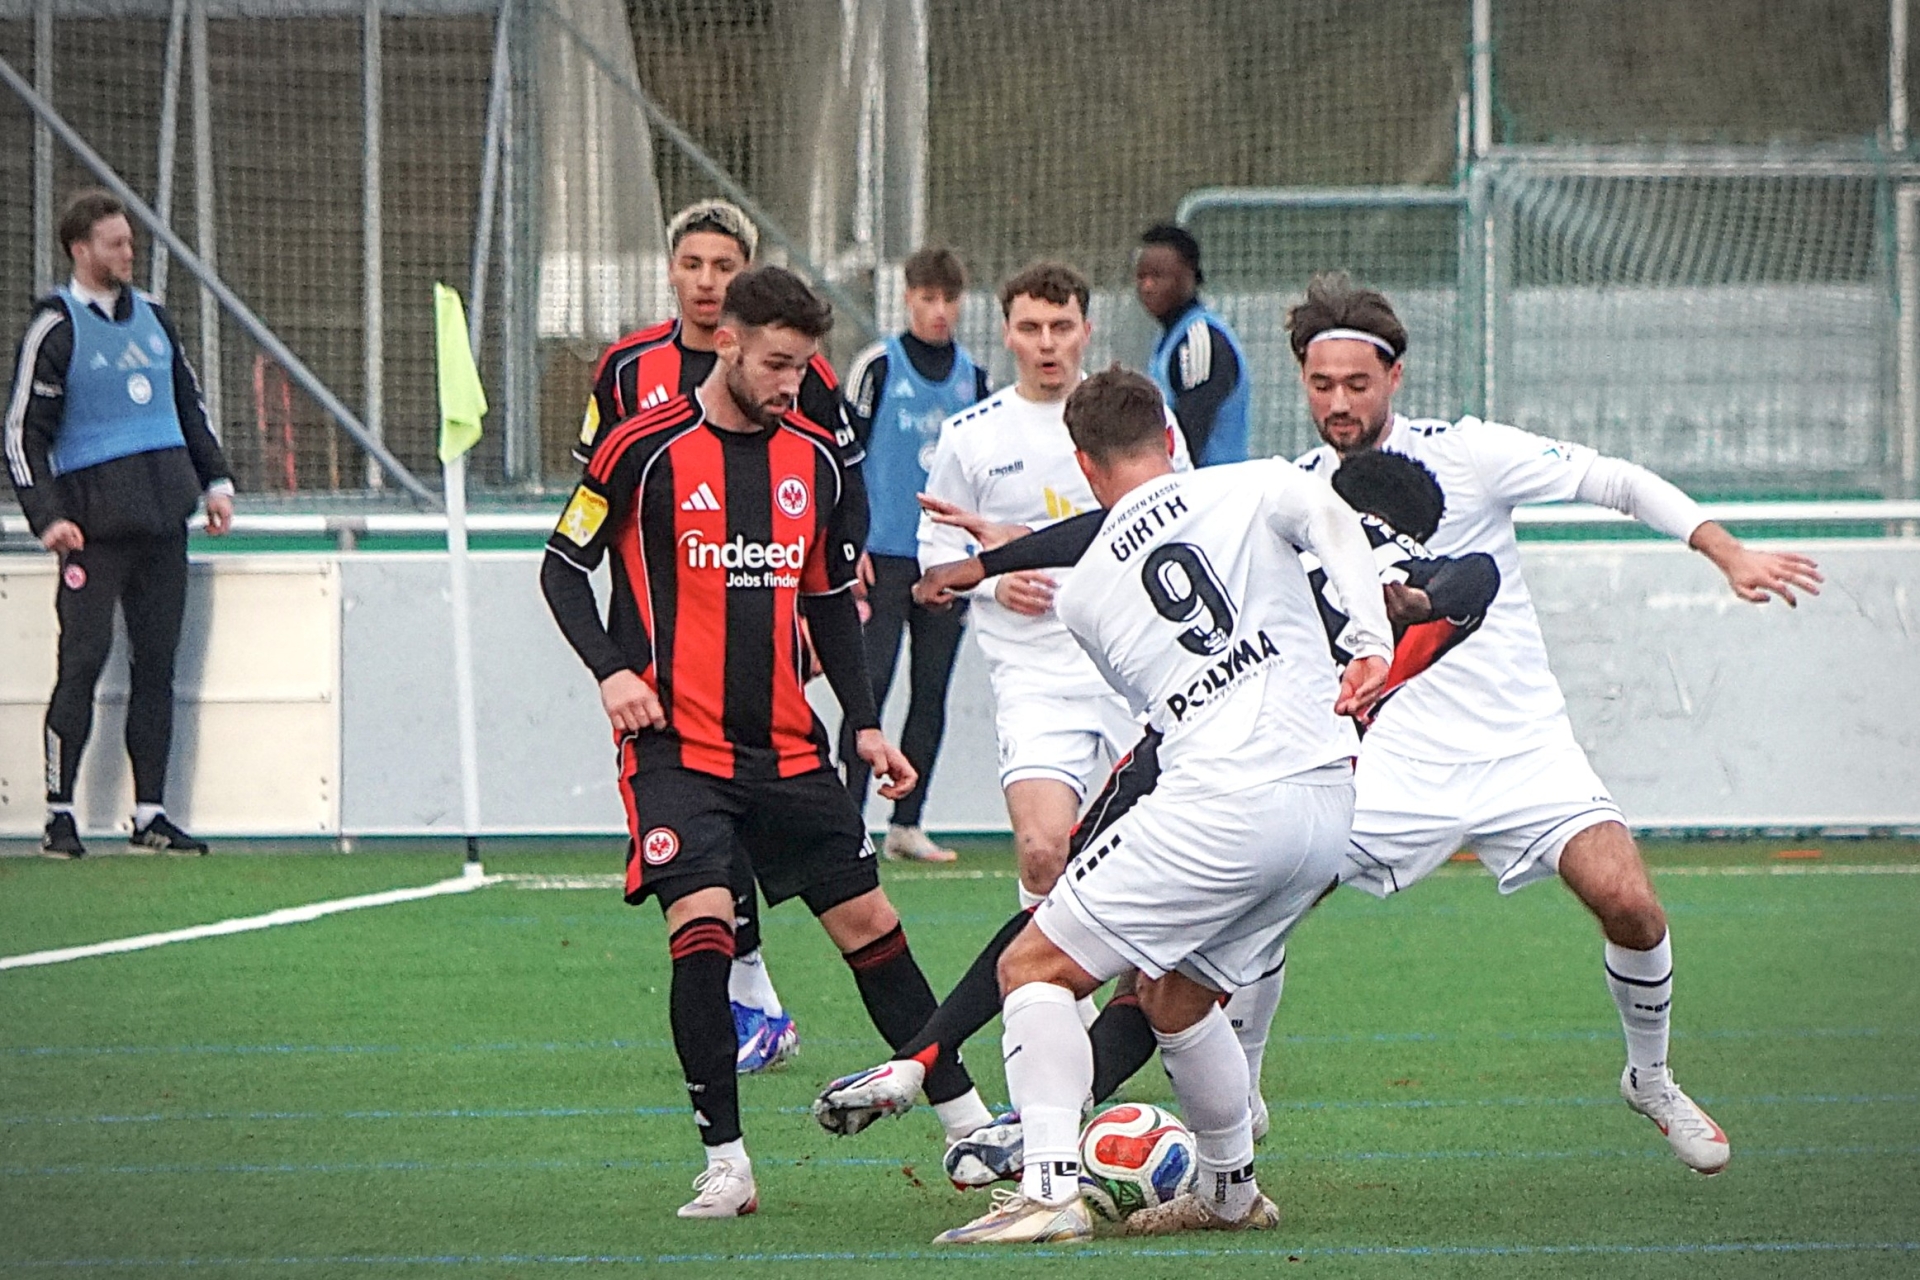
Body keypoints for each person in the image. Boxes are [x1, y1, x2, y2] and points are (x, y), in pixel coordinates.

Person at [813, 448, 1500, 1185]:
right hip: (1309, 793)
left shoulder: (1273, 510)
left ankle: (945, 1073)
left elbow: (1120, 524)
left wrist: (990, 561)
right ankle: (1143, 1142)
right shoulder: (1407, 570)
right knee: (1168, 986)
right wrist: (1420, 603)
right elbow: (1477, 578)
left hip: (1188, 755)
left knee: (1054, 926)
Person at [1282, 271, 1823, 1175]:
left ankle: (1650, 1078)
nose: (1339, 403)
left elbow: (1615, 480)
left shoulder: (1469, 452)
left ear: (1396, 377)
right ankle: (1237, 1120)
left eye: (1358, 384)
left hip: (1523, 747)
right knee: (1264, 904)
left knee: (1631, 905)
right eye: (1321, 384)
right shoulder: (1290, 492)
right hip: (1391, 759)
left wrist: (1725, 550)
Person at [540, 266, 993, 1220]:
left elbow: (828, 602)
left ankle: (971, 1131)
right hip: (675, 747)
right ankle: (728, 1164)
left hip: (789, 748)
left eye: (804, 367)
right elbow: (561, 568)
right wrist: (612, 671)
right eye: (778, 365)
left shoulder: (815, 462)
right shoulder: (640, 449)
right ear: (729, 345)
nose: (793, 384)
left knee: (872, 930)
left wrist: (864, 723)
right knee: (703, 927)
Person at [928, 368, 1393, 1243]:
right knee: (1177, 999)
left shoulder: (1083, 597)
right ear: (1171, 439)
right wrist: (1371, 641)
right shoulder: (1252, 482)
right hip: (1328, 801)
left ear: (1083, 464)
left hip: (1221, 802)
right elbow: (1332, 519)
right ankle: (1229, 1195)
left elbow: (1151, 698)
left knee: (1032, 967)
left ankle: (1049, 1190)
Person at [574, 198, 848, 1071]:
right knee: (696, 822)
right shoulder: (627, 372)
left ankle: (753, 993)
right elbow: (591, 507)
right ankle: (749, 996)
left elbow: (834, 491)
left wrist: (839, 589)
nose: (706, 280)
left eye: (723, 266)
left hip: (766, 631)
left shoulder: (798, 371)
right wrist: (613, 661)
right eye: (692, 264)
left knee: (743, 807)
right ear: (671, 272)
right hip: (658, 645)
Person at [917, 263, 1190, 953]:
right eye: (1031, 327)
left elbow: (1183, 522)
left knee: (1166, 851)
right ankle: (1059, 1003)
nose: (1047, 343)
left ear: (1086, 331)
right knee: (1042, 851)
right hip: (1034, 676)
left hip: (1137, 672)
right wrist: (992, 584)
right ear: (1007, 334)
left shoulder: (1137, 422)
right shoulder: (972, 435)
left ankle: (1155, 990)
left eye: (1061, 326)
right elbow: (936, 549)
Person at [5, 187, 234, 858]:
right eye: (115, 243)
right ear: (81, 250)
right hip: (92, 533)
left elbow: (188, 406)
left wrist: (215, 482)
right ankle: (59, 814)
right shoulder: (55, 328)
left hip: (163, 527)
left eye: (130, 241)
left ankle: (151, 813)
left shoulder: (156, 320)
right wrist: (48, 518)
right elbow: (21, 433)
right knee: (81, 663)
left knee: (156, 667)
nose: (129, 252)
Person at [836, 247, 991, 863]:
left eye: (949, 299)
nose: (939, 311)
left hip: (944, 561)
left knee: (932, 690)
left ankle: (907, 823)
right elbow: (842, 457)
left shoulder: (975, 379)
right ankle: (847, 819)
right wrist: (849, 543)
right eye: (928, 299)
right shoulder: (877, 367)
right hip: (882, 555)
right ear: (907, 299)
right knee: (869, 686)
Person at [1136, 224, 1250, 466]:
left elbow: (1187, 438)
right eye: (1141, 277)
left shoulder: (1200, 340)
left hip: (1209, 486)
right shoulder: (1173, 337)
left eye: (1158, 276)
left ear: (1189, 275)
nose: (1147, 286)